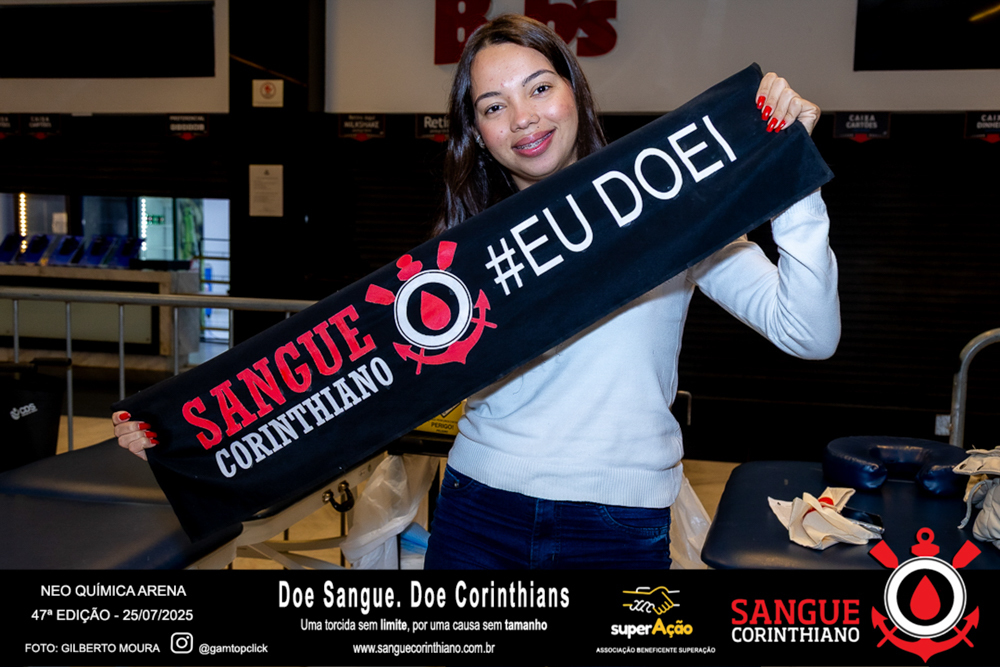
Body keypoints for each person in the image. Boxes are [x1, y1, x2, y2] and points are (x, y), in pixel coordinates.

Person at [113, 14, 838, 570]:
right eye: (493, 106)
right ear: (478, 132)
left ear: (575, 91)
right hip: (478, 512)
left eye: (539, 88)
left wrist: (792, 178)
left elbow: (809, 333)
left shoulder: (668, 203)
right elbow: (339, 370)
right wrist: (193, 433)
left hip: (617, 524)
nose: (523, 119)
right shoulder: (461, 252)